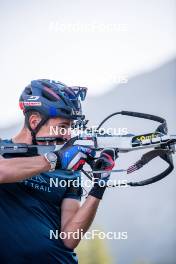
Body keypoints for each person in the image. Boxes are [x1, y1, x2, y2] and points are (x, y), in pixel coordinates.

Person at [0, 79, 117, 264]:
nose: (68, 135)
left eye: (70, 128)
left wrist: (98, 186)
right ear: (34, 121)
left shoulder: (69, 169)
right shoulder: (2, 151)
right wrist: (55, 160)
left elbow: (70, 239)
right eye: (62, 127)